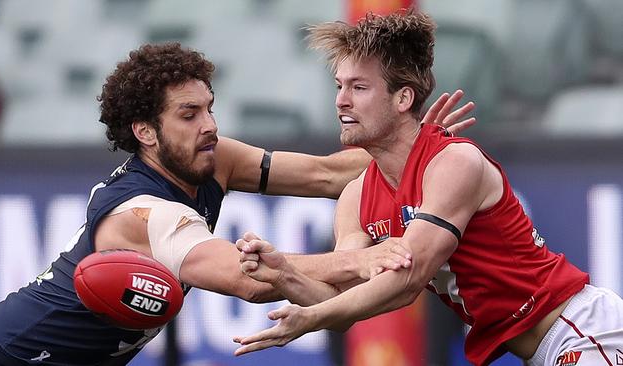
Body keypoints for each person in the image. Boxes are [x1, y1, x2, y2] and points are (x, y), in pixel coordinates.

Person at [0, 43, 473, 365]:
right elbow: (248, 279)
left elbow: (327, 174)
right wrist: (357, 259)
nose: (209, 124)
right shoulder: (142, 214)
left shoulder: (215, 159)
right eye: (189, 115)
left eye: (209, 107)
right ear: (145, 132)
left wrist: (415, 147)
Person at [232, 10, 623, 366]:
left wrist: (306, 305)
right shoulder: (355, 196)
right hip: (543, 350)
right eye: (339, 86)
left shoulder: (454, 163)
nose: (341, 102)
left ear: (403, 98)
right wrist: (285, 277)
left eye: (359, 88)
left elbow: (407, 280)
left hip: (583, 330)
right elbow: (340, 301)